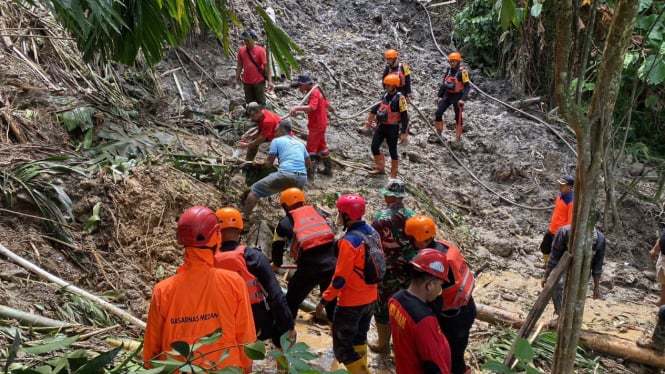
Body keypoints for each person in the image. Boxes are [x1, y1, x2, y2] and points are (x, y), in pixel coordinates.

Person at [143, 206, 255, 373]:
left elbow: (152, 350)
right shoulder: (234, 283)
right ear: (216, 238)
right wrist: (246, 368)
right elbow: (246, 337)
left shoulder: (162, 290)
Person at [315, 194, 380, 374]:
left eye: (339, 213)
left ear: (346, 216)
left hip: (351, 303)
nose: (337, 216)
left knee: (342, 349)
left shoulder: (348, 242)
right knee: (359, 339)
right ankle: (362, 368)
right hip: (371, 298)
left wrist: (324, 300)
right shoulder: (373, 233)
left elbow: (340, 279)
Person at [214, 207, 295, 349]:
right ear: (240, 229)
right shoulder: (253, 257)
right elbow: (275, 296)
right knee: (279, 330)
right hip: (254, 321)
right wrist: (289, 326)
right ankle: (282, 368)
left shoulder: (209, 260)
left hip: (220, 321)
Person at [405, 215, 476, 374]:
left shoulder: (436, 264)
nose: (410, 242)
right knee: (455, 353)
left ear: (417, 238)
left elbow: (433, 297)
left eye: (411, 238)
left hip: (455, 316)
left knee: (452, 357)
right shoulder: (445, 247)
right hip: (466, 307)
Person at [271, 187, 338, 321]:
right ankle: (338, 337)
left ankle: (286, 335)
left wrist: (276, 264)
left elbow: (277, 247)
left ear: (285, 206)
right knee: (331, 304)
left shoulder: (284, 224)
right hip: (333, 265)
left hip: (309, 269)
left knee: (291, 301)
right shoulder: (319, 214)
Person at [369, 179, 418, 353]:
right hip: (408, 269)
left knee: (382, 306)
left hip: (387, 270)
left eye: (386, 194)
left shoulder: (381, 218)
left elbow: (373, 243)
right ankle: (402, 345)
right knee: (405, 306)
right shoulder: (413, 216)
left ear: (390, 196)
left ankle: (383, 345)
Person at [389, 249, 452, 374]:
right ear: (430, 285)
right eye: (440, 285)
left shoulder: (395, 299)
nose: (440, 291)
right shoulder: (424, 320)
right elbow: (434, 364)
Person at [244, 120, 312, 218]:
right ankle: (295, 222)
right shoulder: (300, 144)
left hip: (286, 174)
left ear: (282, 131)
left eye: (276, 131)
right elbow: (309, 164)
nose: (274, 134)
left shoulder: (276, 141)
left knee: (255, 190)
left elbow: (268, 164)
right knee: (294, 201)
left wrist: (259, 164)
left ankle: (245, 218)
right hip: (302, 177)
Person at [541, 224, 606, 313]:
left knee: (576, 295)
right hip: (564, 267)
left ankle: (569, 317)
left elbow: (597, 264)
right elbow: (554, 256)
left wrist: (597, 287)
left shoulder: (599, 239)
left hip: (583, 270)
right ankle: (561, 315)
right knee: (557, 287)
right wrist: (546, 275)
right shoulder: (565, 232)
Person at [362, 74, 409, 178]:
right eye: (386, 85)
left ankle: (393, 173)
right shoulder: (384, 95)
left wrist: (403, 132)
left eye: (388, 85)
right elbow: (375, 108)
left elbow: (405, 117)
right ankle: (380, 168)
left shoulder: (400, 99)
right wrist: (368, 122)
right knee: (374, 146)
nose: (386, 87)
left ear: (394, 85)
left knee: (393, 150)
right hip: (381, 126)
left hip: (393, 128)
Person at [289, 74, 334, 176]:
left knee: (310, 149)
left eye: (300, 86)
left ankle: (309, 173)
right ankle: (328, 169)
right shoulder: (316, 91)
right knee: (322, 147)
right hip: (321, 123)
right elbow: (326, 104)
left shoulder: (314, 92)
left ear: (305, 84)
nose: (299, 88)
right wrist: (331, 108)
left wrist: (296, 107)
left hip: (317, 125)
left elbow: (312, 107)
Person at [537, 175, 575, 269]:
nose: (560, 187)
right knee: (545, 247)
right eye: (560, 185)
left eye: (562, 185)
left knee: (556, 253)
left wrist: (565, 237)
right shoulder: (560, 195)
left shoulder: (571, 202)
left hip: (560, 233)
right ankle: (546, 264)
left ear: (569, 187)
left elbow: (570, 222)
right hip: (552, 228)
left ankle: (552, 271)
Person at [432, 51, 470, 143]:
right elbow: (444, 84)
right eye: (451, 61)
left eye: (454, 61)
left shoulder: (463, 72)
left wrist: (463, 99)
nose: (452, 63)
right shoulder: (448, 70)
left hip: (458, 96)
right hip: (448, 95)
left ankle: (457, 138)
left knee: (458, 117)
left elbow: (467, 87)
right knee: (438, 112)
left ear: (458, 62)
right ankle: (439, 133)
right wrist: (438, 96)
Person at [233, 30, 273, 106]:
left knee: (261, 102)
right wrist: (236, 79)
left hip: (258, 81)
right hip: (246, 81)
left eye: (247, 40)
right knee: (249, 103)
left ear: (254, 39)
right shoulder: (241, 50)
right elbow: (240, 65)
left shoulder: (260, 51)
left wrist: (270, 81)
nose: (246, 42)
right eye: (245, 40)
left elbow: (266, 67)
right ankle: (252, 116)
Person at [649, 231, 665, 306]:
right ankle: (662, 301)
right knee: (663, 280)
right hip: (663, 255)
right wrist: (654, 249)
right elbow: (662, 236)